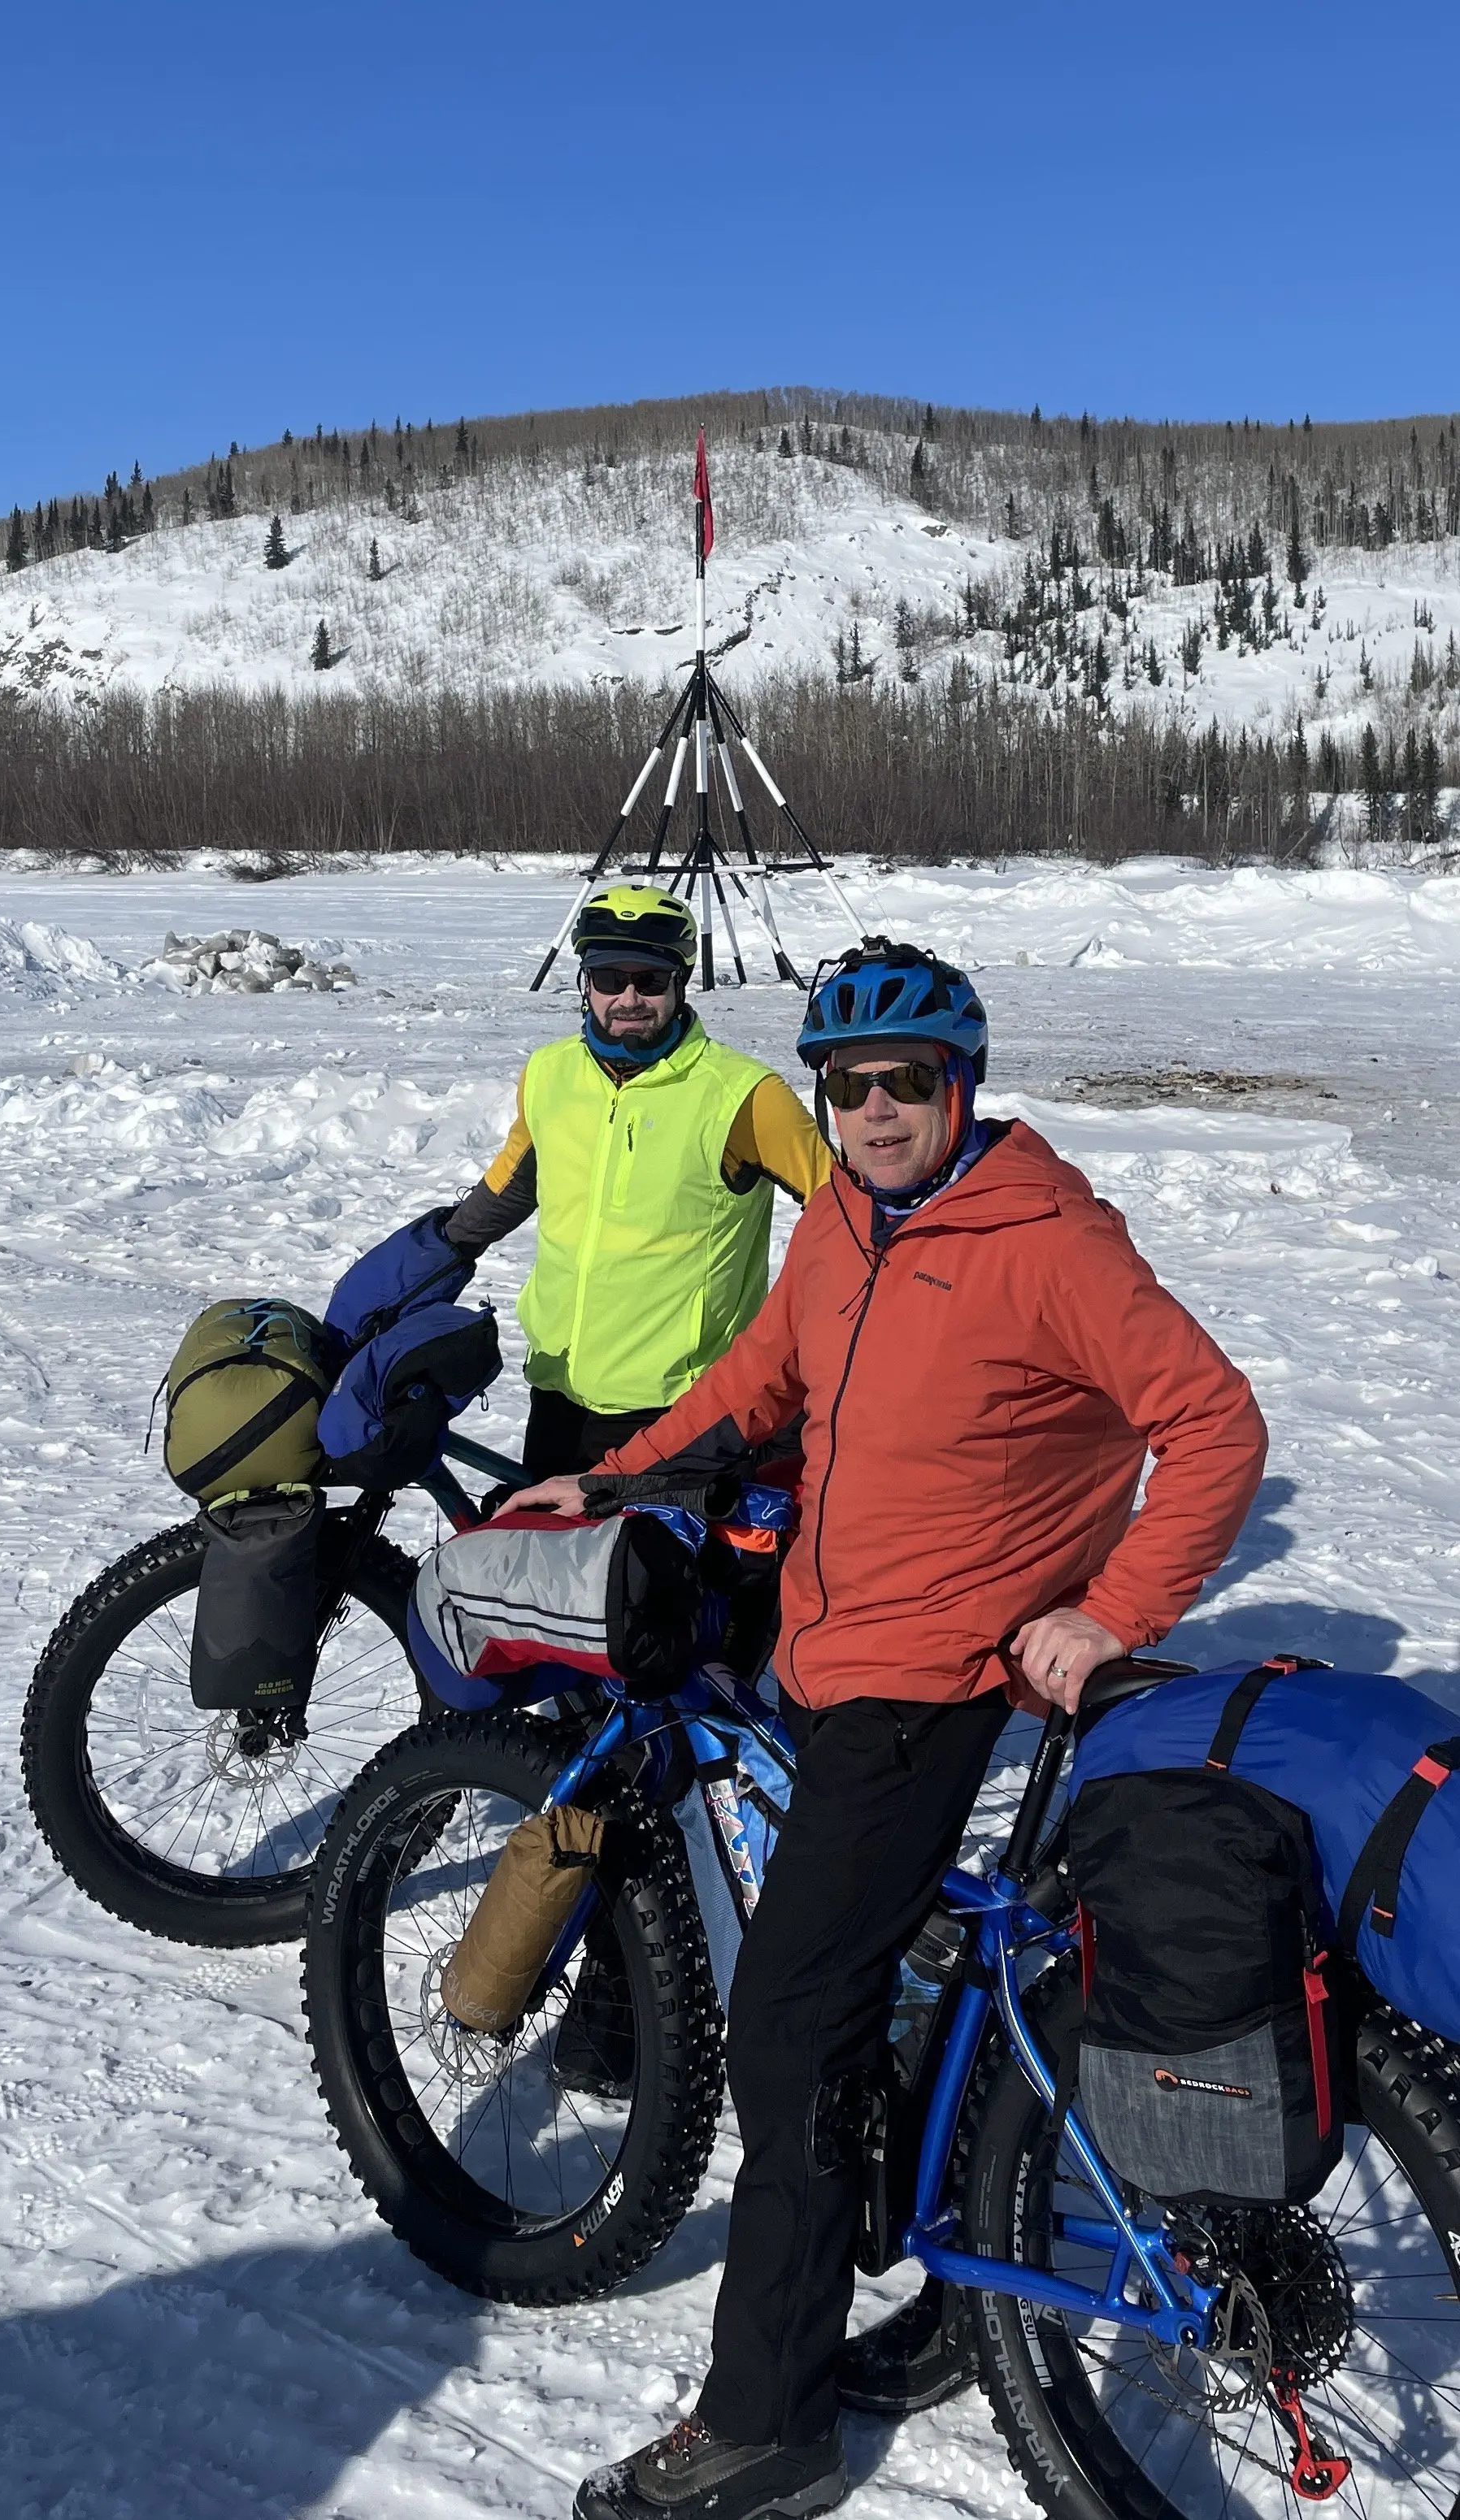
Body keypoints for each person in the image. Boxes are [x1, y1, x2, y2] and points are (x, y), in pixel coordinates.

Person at [511, 936, 1270, 2520]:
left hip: (930, 1685)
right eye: (845, 1083)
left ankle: (762, 2419)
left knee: (788, 2024)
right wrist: (624, 1472)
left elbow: (1214, 1422)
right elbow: (765, 1374)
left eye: (904, 1079)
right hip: (831, 1644)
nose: (871, 1109)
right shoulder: (849, 1222)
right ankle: (956, 2270)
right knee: (893, 1973)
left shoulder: (1045, 1235)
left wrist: (1111, 1610)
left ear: (959, 1082)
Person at [444, 883, 832, 1477]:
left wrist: (803, 1348)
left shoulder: (743, 1095)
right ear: (585, 984)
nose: (628, 998)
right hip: (558, 1394)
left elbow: (845, 1214)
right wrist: (430, 1259)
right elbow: (513, 1184)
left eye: (649, 981)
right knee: (543, 1565)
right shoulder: (549, 1074)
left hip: (682, 1412)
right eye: (609, 978)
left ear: (679, 984)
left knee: (646, 1574)